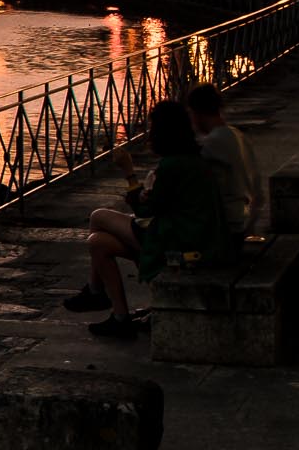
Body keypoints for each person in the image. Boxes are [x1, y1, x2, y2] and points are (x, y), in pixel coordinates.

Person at [64, 99, 233, 337]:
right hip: (191, 238)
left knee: (98, 216)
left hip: (180, 245)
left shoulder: (174, 165)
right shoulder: (193, 160)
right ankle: (119, 315)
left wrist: (129, 171)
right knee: (97, 243)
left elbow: (146, 211)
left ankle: (96, 292)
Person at [186, 81, 268, 235]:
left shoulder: (213, 142)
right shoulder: (237, 135)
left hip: (229, 224)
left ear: (197, 113)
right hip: (247, 218)